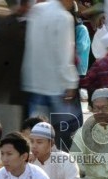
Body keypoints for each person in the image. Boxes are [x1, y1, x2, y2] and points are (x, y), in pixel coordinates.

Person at [22, 0, 82, 151]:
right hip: (57, 85)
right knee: (64, 133)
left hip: (34, 81)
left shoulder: (36, 10)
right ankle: (61, 167)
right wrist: (71, 82)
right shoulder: (63, 17)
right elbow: (64, 53)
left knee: (37, 133)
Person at [0, 0, 32, 133]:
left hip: (5, 91)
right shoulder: (13, 26)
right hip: (9, 91)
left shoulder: (8, 25)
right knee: (9, 132)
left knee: (7, 133)